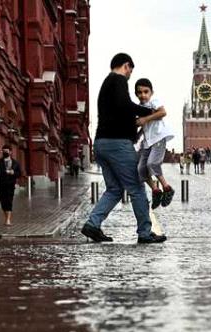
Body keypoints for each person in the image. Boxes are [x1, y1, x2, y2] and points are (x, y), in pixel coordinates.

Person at [81, 53, 166, 244]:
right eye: (130, 71)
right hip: (117, 145)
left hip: (101, 143)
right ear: (126, 66)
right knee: (136, 187)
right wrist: (149, 112)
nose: (129, 76)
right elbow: (125, 105)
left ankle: (92, 225)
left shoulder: (106, 84)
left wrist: (135, 127)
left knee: (115, 189)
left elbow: (119, 112)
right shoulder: (118, 80)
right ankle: (145, 232)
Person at [134, 78, 176, 209]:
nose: (143, 95)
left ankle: (167, 188)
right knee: (140, 169)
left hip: (158, 138)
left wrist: (145, 118)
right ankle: (156, 191)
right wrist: (138, 135)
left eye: (146, 92)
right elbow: (144, 126)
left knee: (152, 163)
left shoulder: (154, 102)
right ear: (136, 94)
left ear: (151, 92)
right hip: (148, 141)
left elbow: (163, 112)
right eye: (139, 92)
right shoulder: (140, 107)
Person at [0, 144, 22, 226]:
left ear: (10, 152)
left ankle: (8, 220)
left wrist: (13, 173)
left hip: (10, 185)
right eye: (3, 151)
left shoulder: (15, 163)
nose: (5, 152)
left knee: (9, 201)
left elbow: (19, 174)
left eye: (6, 151)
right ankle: (6, 218)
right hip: (1, 185)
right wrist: (5, 172)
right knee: (3, 202)